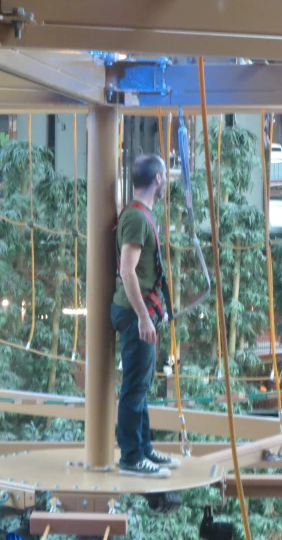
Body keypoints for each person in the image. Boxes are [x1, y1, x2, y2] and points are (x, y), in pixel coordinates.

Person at [111, 154, 180, 478]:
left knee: (141, 384)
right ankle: (131, 457)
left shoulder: (140, 215)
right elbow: (127, 270)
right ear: (158, 179)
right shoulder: (138, 219)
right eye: (165, 176)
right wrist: (142, 317)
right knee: (135, 386)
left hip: (138, 309)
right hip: (133, 310)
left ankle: (143, 449)